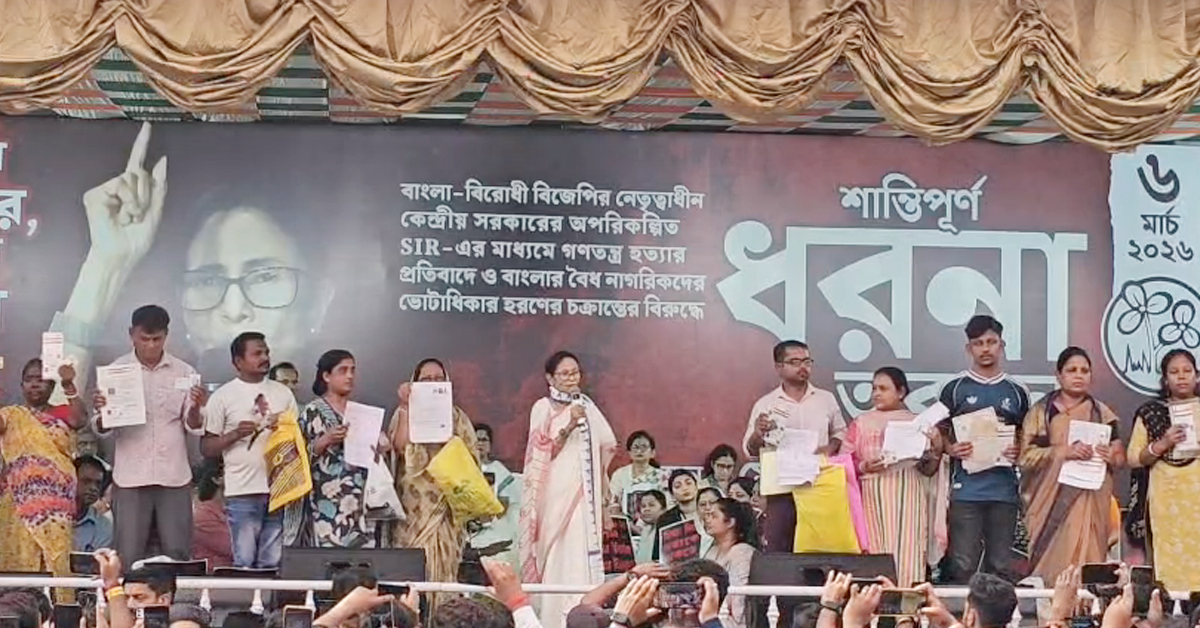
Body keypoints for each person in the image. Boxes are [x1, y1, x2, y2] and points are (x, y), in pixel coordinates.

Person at [93, 305, 206, 564]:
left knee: (178, 555)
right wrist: (103, 411)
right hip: (131, 476)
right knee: (127, 555)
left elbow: (192, 425)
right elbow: (103, 429)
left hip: (173, 475)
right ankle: (124, 592)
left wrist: (196, 407)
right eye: (145, 339)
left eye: (157, 339)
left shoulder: (185, 372)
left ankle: (175, 593)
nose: (151, 345)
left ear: (166, 336)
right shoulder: (116, 371)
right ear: (131, 334)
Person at [518, 351, 617, 628]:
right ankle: (554, 621)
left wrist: (603, 500)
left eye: (575, 372)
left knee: (581, 555)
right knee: (558, 557)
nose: (572, 378)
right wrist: (570, 424)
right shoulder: (543, 407)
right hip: (554, 499)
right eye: (564, 373)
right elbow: (541, 452)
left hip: (586, 500)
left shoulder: (587, 405)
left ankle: (585, 619)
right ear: (550, 378)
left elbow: (606, 446)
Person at [1019, 347, 1125, 583]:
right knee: (1052, 567)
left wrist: (1111, 456)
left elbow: (1120, 458)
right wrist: (1062, 452)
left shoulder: (1102, 414)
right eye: (1072, 370)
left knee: (1088, 563)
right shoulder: (1041, 413)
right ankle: (1052, 604)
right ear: (1059, 375)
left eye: (1084, 371)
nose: (1079, 375)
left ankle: (1086, 602)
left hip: (1091, 500)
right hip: (1048, 503)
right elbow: (1025, 458)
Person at [937, 315, 1029, 583]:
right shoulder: (954, 388)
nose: (985, 348)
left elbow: (1026, 433)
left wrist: (1018, 450)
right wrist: (951, 448)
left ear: (1002, 345)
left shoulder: (1017, 390)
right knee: (963, 563)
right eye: (978, 343)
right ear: (969, 348)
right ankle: (962, 610)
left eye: (991, 342)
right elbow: (938, 431)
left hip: (1004, 489)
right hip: (966, 490)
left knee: (1001, 564)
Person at [200, 332, 298, 569]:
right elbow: (206, 448)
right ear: (238, 361)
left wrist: (284, 428)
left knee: (272, 564)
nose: (265, 358)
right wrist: (235, 434)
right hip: (242, 491)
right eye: (257, 354)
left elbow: (299, 438)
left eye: (266, 352)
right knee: (244, 562)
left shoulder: (283, 393)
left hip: (279, 490)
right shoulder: (223, 396)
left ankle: (267, 596)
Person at [742, 340, 847, 553]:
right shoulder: (766, 404)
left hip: (818, 482)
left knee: (820, 547)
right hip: (781, 486)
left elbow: (841, 433)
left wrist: (829, 448)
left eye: (807, 361)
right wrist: (758, 433)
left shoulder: (825, 399)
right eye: (795, 362)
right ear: (779, 367)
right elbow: (750, 451)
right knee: (781, 546)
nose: (803, 367)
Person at [842, 367, 941, 586]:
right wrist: (864, 466)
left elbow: (929, 470)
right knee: (875, 551)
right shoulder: (860, 422)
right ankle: (875, 604)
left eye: (883, 388)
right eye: (874, 388)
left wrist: (936, 445)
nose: (876, 393)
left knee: (909, 550)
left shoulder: (918, 423)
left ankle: (907, 606)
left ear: (901, 392)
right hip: (871, 497)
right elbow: (843, 462)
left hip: (909, 495)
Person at [389, 358, 478, 601]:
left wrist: (451, 444)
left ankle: (442, 614)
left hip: (444, 504)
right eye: (426, 379)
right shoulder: (403, 411)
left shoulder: (457, 416)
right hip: (413, 507)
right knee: (412, 568)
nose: (432, 383)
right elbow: (398, 448)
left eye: (438, 379)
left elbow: (471, 460)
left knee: (444, 570)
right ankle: (413, 612)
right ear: (415, 383)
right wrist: (406, 407)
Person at [0, 358, 87, 576]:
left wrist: (69, 385)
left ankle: (59, 598)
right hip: (18, 500)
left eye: (41, 379)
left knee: (56, 556)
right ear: (21, 385)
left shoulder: (62, 412)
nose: (35, 384)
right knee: (18, 555)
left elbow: (79, 420)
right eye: (29, 379)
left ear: (52, 385)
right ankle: (17, 598)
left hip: (56, 502)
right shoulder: (11, 415)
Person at [293, 349, 388, 548]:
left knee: (364, 557)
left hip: (361, 500)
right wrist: (325, 440)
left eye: (353, 370)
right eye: (343, 370)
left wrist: (380, 447)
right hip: (327, 502)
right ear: (326, 376)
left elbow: (375, 457)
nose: (350, 376)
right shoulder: (312, 411)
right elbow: (296, 460)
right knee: (329, 557)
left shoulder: (360, 413)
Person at [1127, 348, 1200, 592]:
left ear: (1197, 376)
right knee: (1170, 565)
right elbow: (1134, 459)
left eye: (1187, 371)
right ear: (1165, 379)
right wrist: (1164, 443)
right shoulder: (1152, 413)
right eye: (1174, 372)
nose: (1181, 376)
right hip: (1167, 501)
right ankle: (1171, 606)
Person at [701, 498, 759, 628]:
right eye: (707, 516)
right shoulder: (711, 550)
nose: (707, 520)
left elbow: (739, 596)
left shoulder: (742, 552)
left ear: (730, 522)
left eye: (714, 516)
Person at [471, 423, 521, 570]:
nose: (479, 444)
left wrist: (485, 518)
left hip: (493, 524)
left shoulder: (497, 469)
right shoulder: (462, 469)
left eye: (484, 440)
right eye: (476, 440)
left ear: (490, 446)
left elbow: (504, 503)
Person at [644, 469, 702, 563]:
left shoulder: (708, 511)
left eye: (688, 483)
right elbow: (658, 554)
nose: (685, 488)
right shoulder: (665, 519)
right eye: (678, 486)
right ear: (672, 495)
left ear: (696, 487)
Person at [608, 431, 667, 516]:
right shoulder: (620, 475)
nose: (639, 451)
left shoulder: (662, 476)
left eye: (644, 447)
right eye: (635, 447)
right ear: (629, 453)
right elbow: (613, 502)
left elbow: (668, 504)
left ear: (652, 453)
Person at [190, 460, 232, 569]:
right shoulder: (203, 515)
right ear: (217, 479)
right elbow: (231, 547)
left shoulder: (227, 510)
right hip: (215, 574)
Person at [74, 454, 114, 552]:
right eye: (86, 481)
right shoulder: (49, 517)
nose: (93, 488)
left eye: (98, 483)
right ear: (70, 480)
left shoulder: (103, 526)